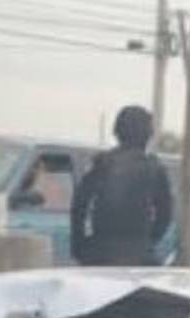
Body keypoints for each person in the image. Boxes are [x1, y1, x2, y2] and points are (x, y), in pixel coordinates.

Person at [70, 105, 173, 266]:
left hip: (100, 251)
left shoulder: (101, 163)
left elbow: (79, 207)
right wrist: (146, 243)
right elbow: (165, 216)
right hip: (139, 255)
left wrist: (80, 245)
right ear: (148, 135)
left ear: (117, 132)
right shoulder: (155, 169)